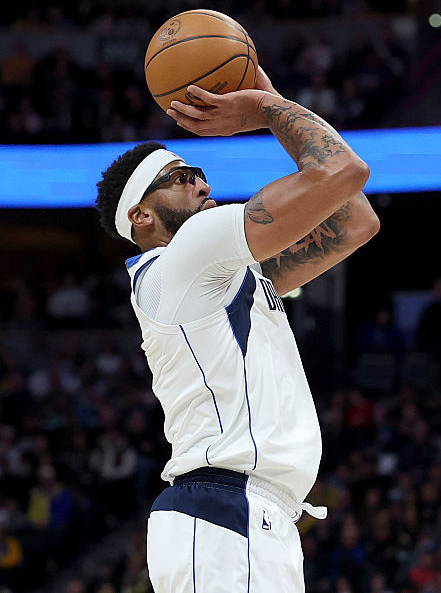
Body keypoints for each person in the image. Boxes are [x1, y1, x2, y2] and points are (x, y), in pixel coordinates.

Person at [94, 67, 379, 592]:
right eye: (180, 178)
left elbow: (356, 222)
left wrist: (267, 100)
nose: (203, 184)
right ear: (140, 215)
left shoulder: (220, 274)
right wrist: (265, 106)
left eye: (199, 171)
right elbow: (344, 171)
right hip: (224, 510)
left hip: (249, 516)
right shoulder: (186, 255)